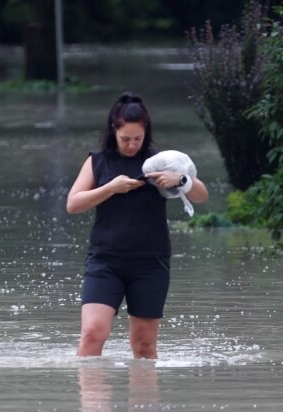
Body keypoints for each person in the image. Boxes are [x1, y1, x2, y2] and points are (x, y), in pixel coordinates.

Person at [66, 92, 208, 359]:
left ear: (146, 132)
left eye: (137, 139)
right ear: (113, 131)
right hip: (105, 261)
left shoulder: (161, 162)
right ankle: (92, 401)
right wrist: (110, 188)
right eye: (125, 139)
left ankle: (144, 402)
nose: (132, 145)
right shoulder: (97, 161)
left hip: (150, 263)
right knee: (93, 333)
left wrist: (180, 180)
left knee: (144, 346)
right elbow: (73, 204)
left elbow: (201, 196)